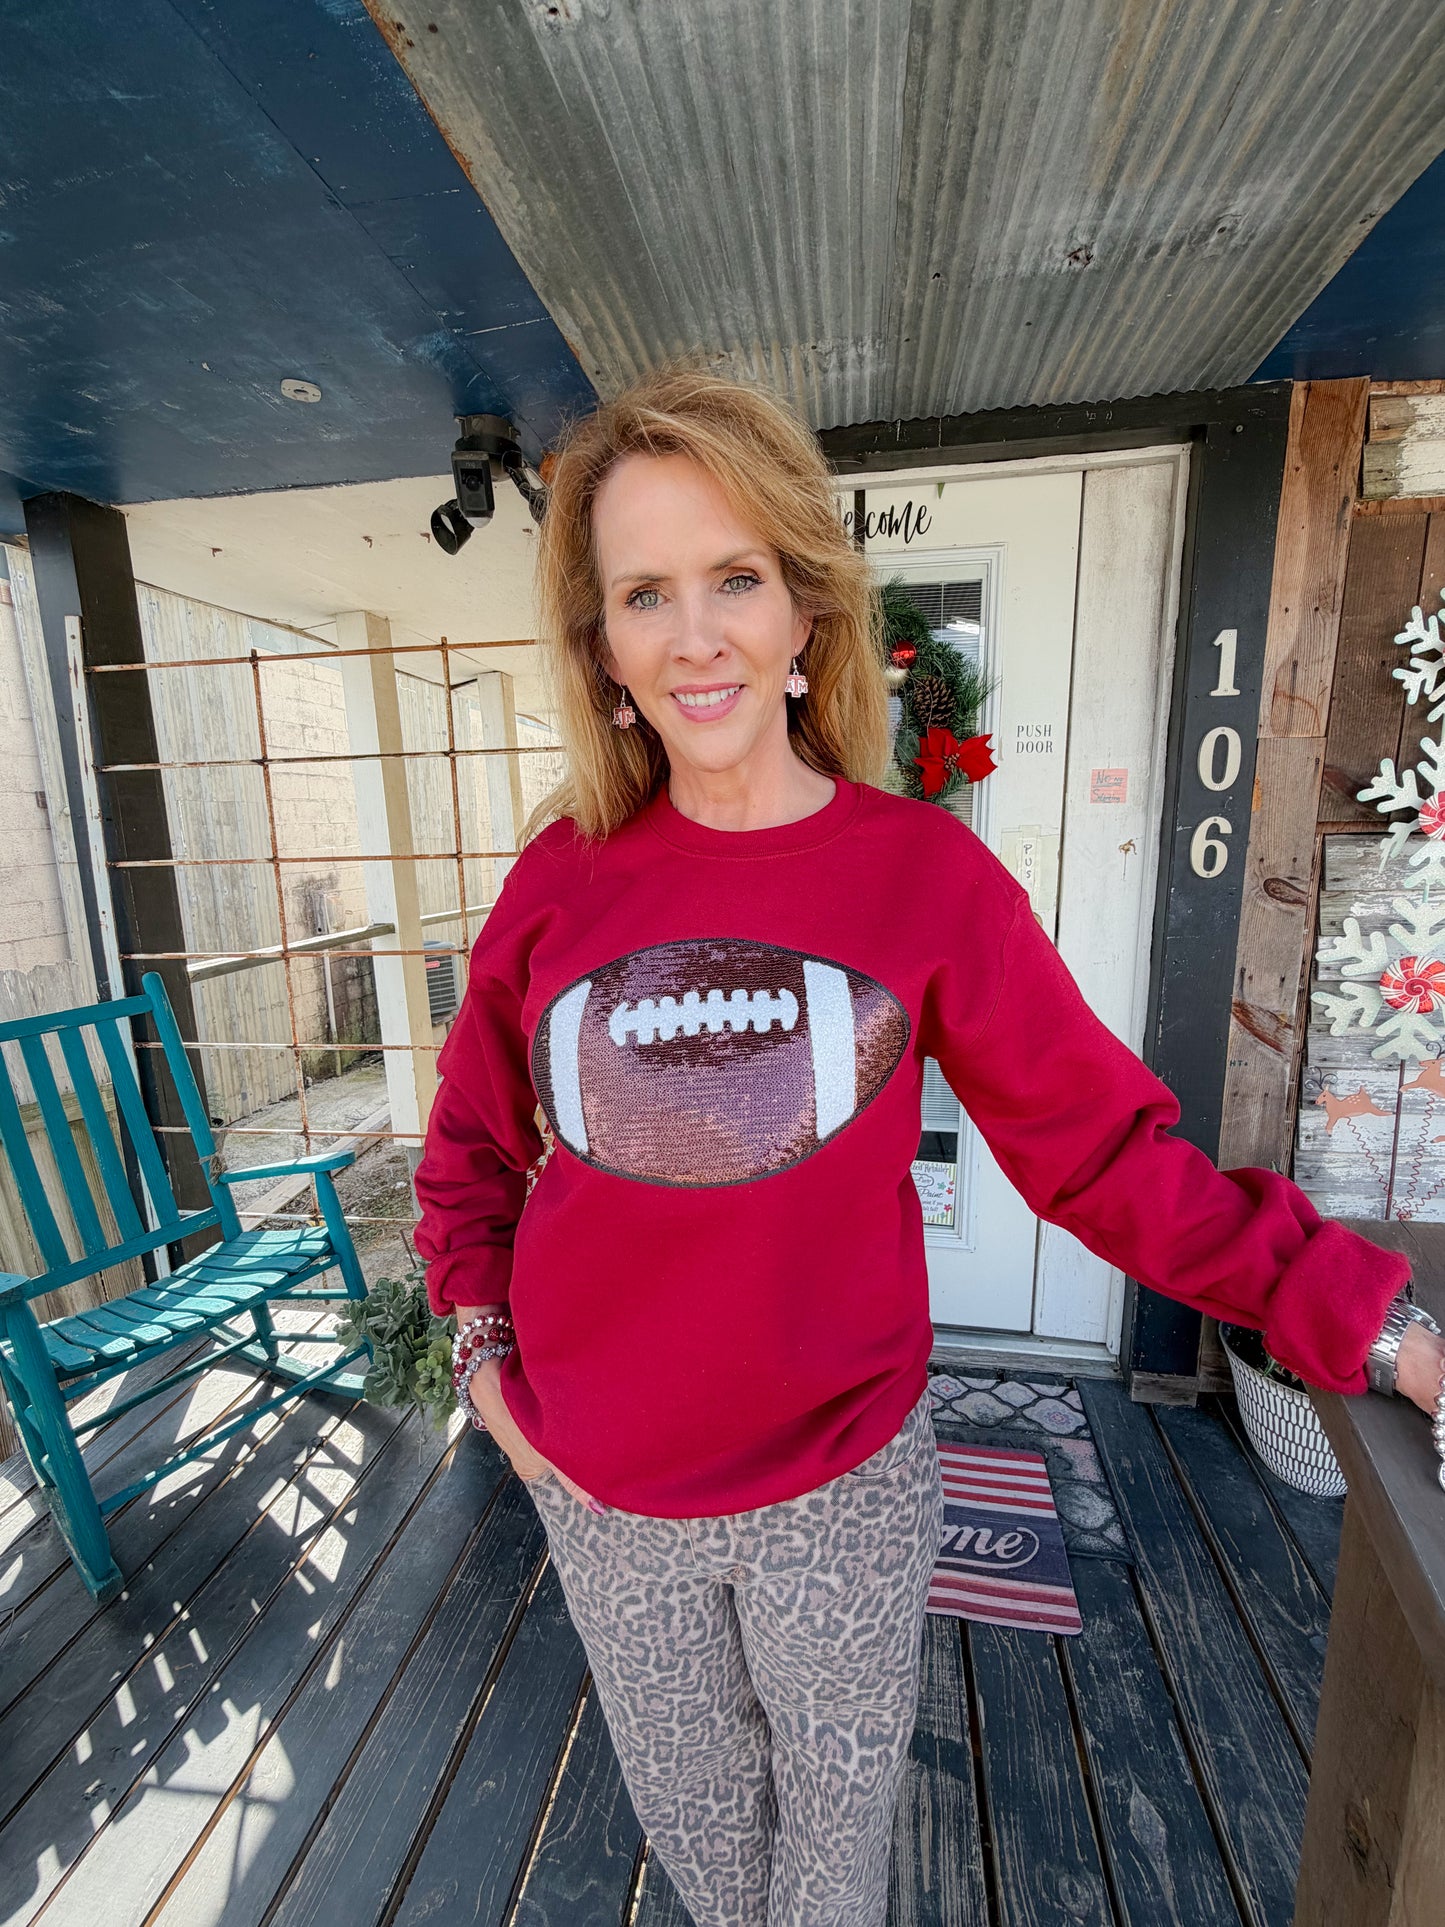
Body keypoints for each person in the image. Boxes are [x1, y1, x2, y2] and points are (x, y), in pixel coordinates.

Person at [412, 366, 1445, 1927]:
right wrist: (484, 1361)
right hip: (602, 1480)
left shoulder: (922, 881)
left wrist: (1377, 1324)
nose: (695, 634)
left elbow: (1105, 1157)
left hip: (837, 1477)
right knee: (697, 1839)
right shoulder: (562, 879)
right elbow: (470, 1151)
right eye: (643, 594)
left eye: (733, 577)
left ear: (804, 612)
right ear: (604, 647)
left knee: (825, 1864)